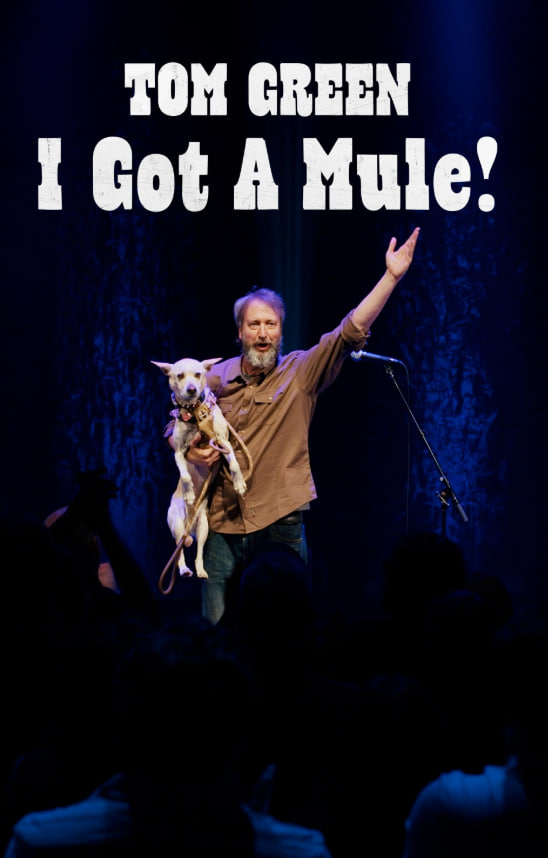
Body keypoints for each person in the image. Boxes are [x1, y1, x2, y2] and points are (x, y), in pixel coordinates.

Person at [166, 227, 420, 624]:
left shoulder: (300, 371)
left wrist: (390, 277)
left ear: (280, 330)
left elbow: (347, 332)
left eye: (271, 324)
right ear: (240, 332)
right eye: (254, 325)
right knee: (216, 628)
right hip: (220, 524)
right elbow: (177, 419)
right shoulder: (214, 376)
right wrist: (186, 448)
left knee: (286, 626)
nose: (263, 333)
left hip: (279, 522)